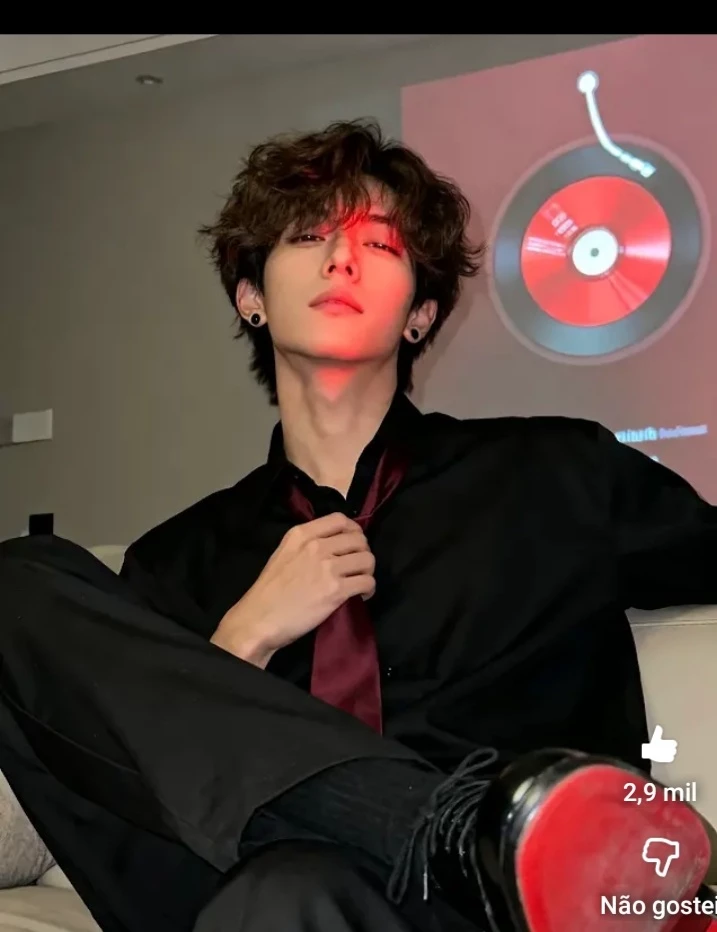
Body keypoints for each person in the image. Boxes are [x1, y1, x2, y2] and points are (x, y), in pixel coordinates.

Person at [0, 119, 716, 932]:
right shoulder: (177, 560)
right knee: (16, 581)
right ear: (250, 298)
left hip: (488, 917)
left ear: (420, 314)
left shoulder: (559, 473)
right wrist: (242, 641)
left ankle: (481, 839)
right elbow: (122, 771)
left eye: (378, 244)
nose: (340, 258)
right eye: (308, 236)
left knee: (288, 893)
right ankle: (451, 830)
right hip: (225, 876)